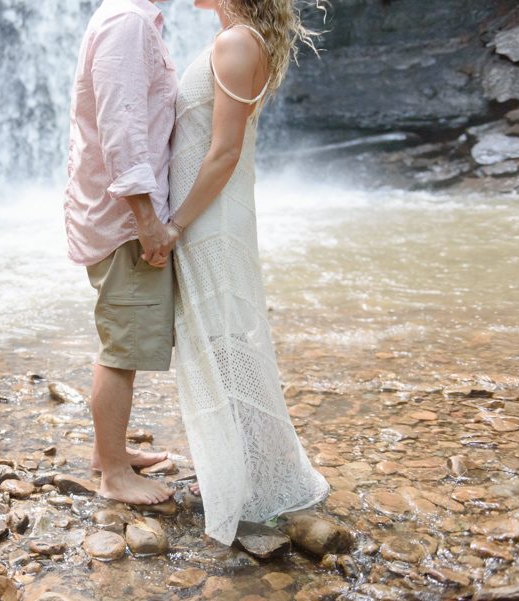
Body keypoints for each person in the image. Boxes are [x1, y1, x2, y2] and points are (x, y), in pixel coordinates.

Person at [157, 0, 331, 544]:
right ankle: (249, 470)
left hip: (209, 216)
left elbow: (225, 149)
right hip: (209, 211)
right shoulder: (241, 37)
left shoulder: (236, 43)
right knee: (220, 338)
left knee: (221, 339)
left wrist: (175, 224)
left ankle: (255, 483)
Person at [64, 0, 179, 505]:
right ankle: (113, 473)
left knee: (121, 342)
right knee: (122, 349)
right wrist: (147, 219)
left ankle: (108, 452)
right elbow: (122, 127)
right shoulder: (128, 22)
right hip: (126, 222)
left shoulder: (129, 19)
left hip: (120, 217)